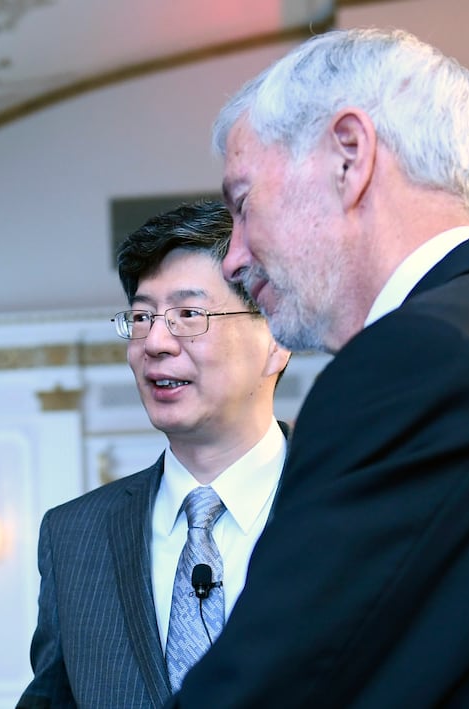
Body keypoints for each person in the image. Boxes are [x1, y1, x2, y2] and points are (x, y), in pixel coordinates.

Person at [171, 27, 469, 707]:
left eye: (243, 204)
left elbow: (267, 689)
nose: (233, 257)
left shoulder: (422, 359)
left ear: (349, 156)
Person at [18, 201, 291, 709]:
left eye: (188, 315)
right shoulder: (74, 537)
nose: (156, 342)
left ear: (276, 337)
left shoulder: (353, 508)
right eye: (142, 317)